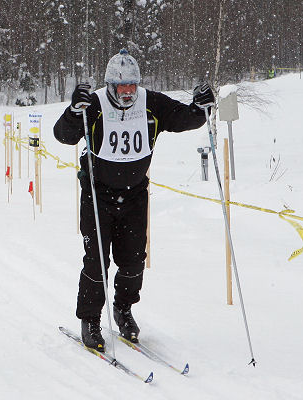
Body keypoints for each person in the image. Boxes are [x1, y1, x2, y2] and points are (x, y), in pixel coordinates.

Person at [53, 49, 214, 352]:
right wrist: (74, 111)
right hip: (98, 193)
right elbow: (64, 136)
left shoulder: (150, 102)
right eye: (121, 87)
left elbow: (184, 119)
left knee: (133, 260)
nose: (127, 93)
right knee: (97, 260)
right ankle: (90, 319)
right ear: (110, 85)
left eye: (131, 86)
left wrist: (201, 107)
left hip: (135, 195)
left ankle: (123, 309)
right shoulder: (95, 103)